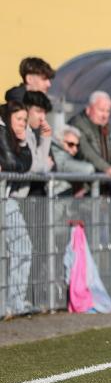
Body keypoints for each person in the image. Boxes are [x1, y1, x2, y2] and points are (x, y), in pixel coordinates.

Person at [0, 101, 34, 316]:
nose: (23, 124)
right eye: (19, 119)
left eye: (24, 120)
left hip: (5, 198)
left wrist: (22, 145)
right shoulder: (2, 130)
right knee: (21, 248)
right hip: (4, 198)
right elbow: (14, 165)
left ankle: (14, 302)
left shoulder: (13, 137)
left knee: (22, 247)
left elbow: (22, 164)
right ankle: (13, 302)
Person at [69, 91, 111, 181]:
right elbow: (86, 151)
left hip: (96, 182)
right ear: (88, 109)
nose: (105, 115)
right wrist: (107, 168)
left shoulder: (102, 127)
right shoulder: (78, 124)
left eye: (108, 111)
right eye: (101, 110)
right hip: (80, 183)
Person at [22, 92, 54, 195]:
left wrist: (45, 137)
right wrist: (46, 165)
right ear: (26, 109)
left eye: (45, 113)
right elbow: (30, 165)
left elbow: (37, 161)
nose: (42, 118)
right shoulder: (20, 132)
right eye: (38, 111)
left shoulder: (31, 133)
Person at [50, 126, 94, 196]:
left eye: (77, 145)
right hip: (56, 199)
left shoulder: (67, 157)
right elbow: (88, 169)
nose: (75, 149)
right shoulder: (56, 154)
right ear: (59, 141)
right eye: (71, 144)